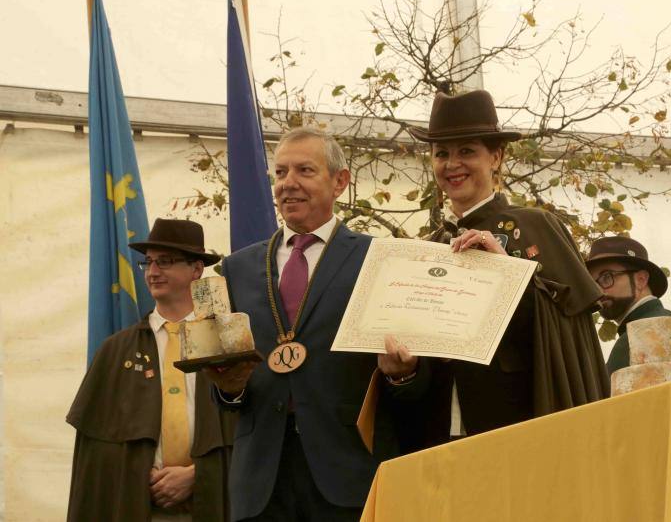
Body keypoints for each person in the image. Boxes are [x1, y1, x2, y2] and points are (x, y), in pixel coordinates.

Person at [204, 127, 426, 522]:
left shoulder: (380, 259)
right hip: (261, 482)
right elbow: (228, 386)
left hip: (347, 472)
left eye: (305, 170)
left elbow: (410, 383)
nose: (288, 184)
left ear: (340, 182)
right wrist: (229, 388)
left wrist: (401, 375)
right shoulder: (236, 268)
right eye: (280, 173)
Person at [403, 89, 610, 446]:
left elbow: (563, 336)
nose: (452, 164)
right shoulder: (428, 248)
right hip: (437, 436)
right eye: (441, 154)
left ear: (495, 157)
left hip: (520, 428)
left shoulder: (537, 227)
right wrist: (402, 372)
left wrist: (506, 273)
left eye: (466, 151)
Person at [67, 218, 237, 522]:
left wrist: (198, 475)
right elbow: (96, 454)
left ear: (197, 269)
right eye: (149, 263)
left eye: (166, 262)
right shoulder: (115, 350)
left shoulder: (227, 344)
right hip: (135, 505)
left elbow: (251, 434)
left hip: (216, 504)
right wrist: (132, 471)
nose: (153, 272)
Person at [585, 235, 671, 379]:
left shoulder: (649, 332)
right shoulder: (664, 323)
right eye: (593, 283)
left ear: (641, 280)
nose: (599, 291)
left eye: (606, 277)